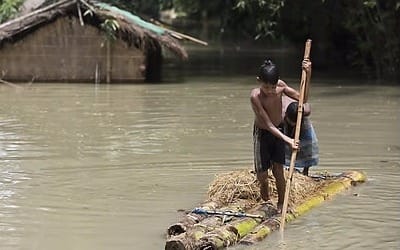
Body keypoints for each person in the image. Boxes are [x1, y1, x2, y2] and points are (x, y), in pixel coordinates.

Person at [250, 58, 312, 212]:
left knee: (279, 170)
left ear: (277, 82)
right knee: (262, 175)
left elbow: (303, 99)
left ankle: (281, 204)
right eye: (266, 87)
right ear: (259, 81)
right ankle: (265, 193)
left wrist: (308, 74)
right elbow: (268, 124)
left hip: (279, 129)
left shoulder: (281, 87)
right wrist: (288, 140)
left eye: (272, 87)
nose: (270, 91)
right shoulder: (255, 97)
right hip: (263, 133)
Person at [282, 95, 319, 176]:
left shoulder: (306, 110)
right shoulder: (280, 112)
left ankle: (305, 172)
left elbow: (307, 104)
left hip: (302, 122)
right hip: (283, 123)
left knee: (308, 145)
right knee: (280, 145)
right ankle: (283, 170)